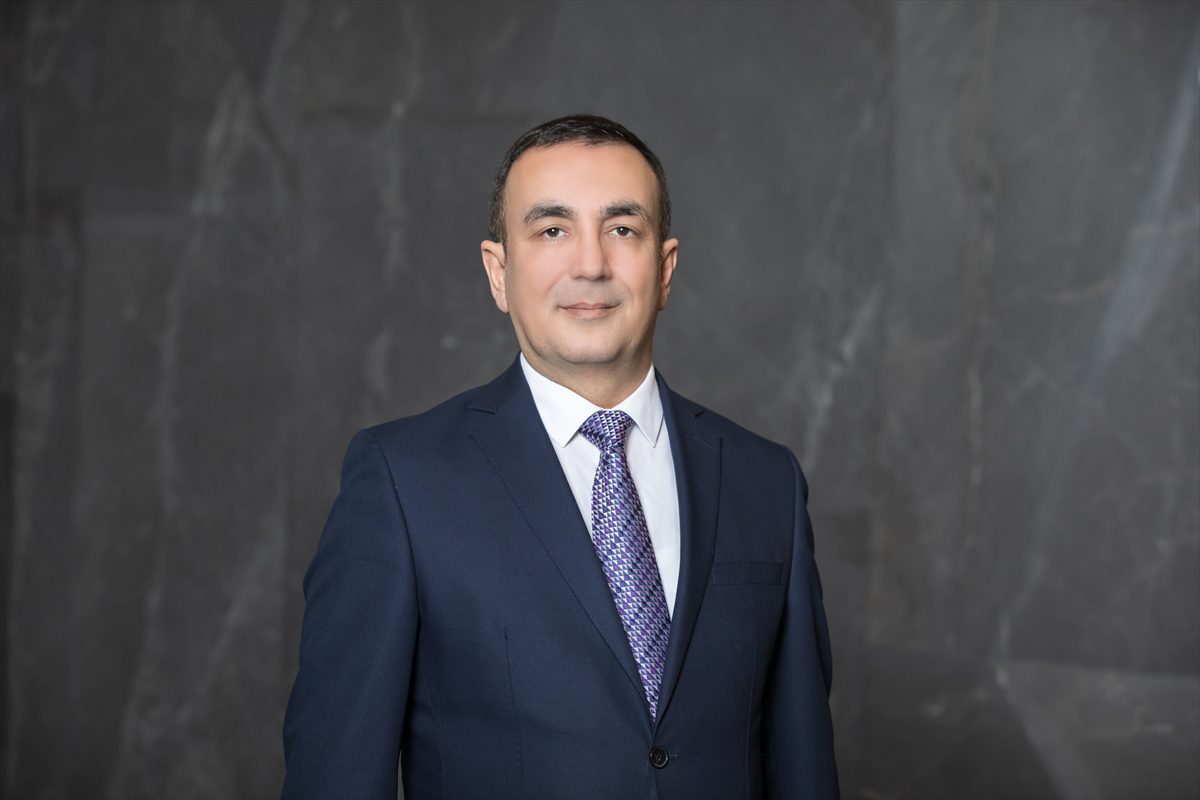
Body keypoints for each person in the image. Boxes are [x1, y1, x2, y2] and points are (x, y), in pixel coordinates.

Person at [281, 114, 838, 799]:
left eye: (622, 229)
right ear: (498, 272)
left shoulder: (766, 482)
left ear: (665, 269)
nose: (590, 264)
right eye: (552, 230)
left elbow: (805, 770)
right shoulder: (402, 483)